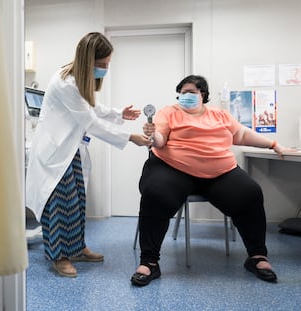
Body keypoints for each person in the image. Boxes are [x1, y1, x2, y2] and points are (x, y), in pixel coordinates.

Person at [130, 74, 291, 286]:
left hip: (220, 172)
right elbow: (160, 140)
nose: (185, 96)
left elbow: (241, 134)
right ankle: (149, 262)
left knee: (250, 193)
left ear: (202, 95)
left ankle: (257, 256)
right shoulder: (169, 112)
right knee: (155, 192)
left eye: (190, 92)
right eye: (182, 93)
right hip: (174, 169)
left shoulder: (220, 115)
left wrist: (273, 144)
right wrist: (152, 136)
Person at [26, 32, 151, 278]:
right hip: (55, 154)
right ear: (87, 61)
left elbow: (90, 107)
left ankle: (78, 248)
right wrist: (130, 137)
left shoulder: (77, 80)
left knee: (78, 202)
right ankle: (59, 256)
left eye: (107, 65)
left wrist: (118, 113)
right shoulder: (65, 83)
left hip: (69, 151)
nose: (105, 69)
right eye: (102, 65)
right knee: (60, 206)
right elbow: (91, 122)